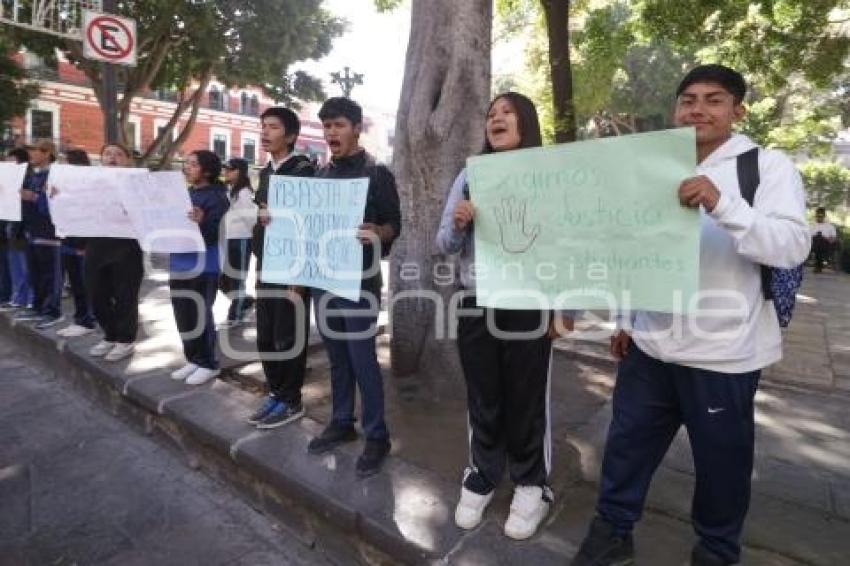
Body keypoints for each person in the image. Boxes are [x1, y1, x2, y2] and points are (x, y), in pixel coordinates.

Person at [571, 65, 810, 566]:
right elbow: (635, 247)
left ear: (737, 111)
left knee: (722, 466)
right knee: (626, 448)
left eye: (714, 99)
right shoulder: (653, 166)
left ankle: (717, 550)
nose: (698, 109)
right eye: (688, 100)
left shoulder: (767, 167)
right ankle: (612, 532)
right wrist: (626, 319)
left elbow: (791, 246)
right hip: (650, 347)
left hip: (724, 355)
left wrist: (722, 203)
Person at [435, 92, 573, 540]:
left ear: (526, 122)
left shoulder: (551, 176)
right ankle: (483, 473)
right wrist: (458, 224)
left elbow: (569, 244)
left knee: (526, 398)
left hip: (529, 303)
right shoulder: (470, 175)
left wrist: (565, 308)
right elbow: (443, 244)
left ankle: (532, 484)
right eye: (491, 114)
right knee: (483, 394)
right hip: (476, 301)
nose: (496, 119)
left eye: (507, 112)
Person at [305, 97, 400, 479]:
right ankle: (341, 421)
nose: (331, 133)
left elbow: (394, 225)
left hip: (360, 284)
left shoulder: (377, 174)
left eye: (339, 125)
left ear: (357, 129)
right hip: (323, 282)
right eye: (327, 126)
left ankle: (377, 435)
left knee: (363, 361)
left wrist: (379, 231)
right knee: (337, 358)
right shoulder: (319, 177)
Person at [247, 107, 315, 429]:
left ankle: (291, 400)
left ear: (290, 136)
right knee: (266, 334)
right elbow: (264, 216)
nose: (265, 132)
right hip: (266, 264)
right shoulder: (266, 172)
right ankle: (275, 392)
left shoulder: (303, 170)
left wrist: (300, 277)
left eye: (273, 127)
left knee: (288, 336)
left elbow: (309, 224)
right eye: (263, 126)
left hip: (292, 268)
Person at [169, 150, 229, 385]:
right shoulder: (186, 193)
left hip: (205, 265)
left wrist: (202, 221)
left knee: (200, 314)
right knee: (183, 314)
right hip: (179, 261)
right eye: (186, 163)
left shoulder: (217, 198)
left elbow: (215, 234)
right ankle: (193, 358)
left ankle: (209, 363)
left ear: (207, 170)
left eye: (193, 164)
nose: (187, 167)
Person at [86, 144, 145, 362]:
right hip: (96, 245)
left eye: (119, 154)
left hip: (127, 247)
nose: (113, 157)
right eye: (108, 154)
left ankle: (125, 340)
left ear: (127, 160)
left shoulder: (137, 183)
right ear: (101, 158)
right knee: (96, 295)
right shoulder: (90, 183)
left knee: (125, 296)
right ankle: (110, 335)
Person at [16, 139, 63, 329]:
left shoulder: (56, 175)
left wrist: (34, 197)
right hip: (32, 231)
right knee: (35, 273)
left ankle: (52, 312)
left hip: (49, 233)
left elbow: (57, 202)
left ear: (47, 153)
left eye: (35, 150)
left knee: (50, 274)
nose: (31, 154)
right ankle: (37, 307)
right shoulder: (32, 175)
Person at [55, 148, 97, 338]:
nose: (60, 165)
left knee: (84, 284)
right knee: (75, 284)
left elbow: (91, 214)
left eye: (64, 161)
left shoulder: (89, 185)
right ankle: (80, 319)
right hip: (67, 239)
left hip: (82, 243)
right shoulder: (65, 184)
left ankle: (87, 320)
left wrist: (84, 244)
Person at [219, 157, 256, 328]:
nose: (226, 172)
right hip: (227, 239)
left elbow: (251, 219)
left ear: (239, 172)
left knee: (237, 278)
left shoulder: (244, 193)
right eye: (225, 169)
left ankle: (235, 315)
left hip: (240, 239)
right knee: (222, 279)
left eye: (230, 169)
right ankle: (245, 302)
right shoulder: (229, 189)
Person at [0, 147, 33, 312]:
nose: (7, 163)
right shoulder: (6, 178)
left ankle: (30, 298)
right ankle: (17, 297)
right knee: (14, 265)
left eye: (11, 160)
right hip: (9, 226)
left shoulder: (28, 179)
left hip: (23, 227)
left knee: (25, 265)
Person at [810, 206, 837, 273]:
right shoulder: (811, 226)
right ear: (815, 216)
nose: (819, 217)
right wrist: (815, 237)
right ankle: (819, 265)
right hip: (813, 245)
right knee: (817, 238)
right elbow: (807, 238)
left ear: (824, 216)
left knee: (820, 239)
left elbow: (833, 239)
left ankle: (818, 265)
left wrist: (824, 238)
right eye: (818, 216)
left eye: (821, 216)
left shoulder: (830, 226)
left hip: (826, 245)